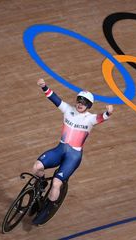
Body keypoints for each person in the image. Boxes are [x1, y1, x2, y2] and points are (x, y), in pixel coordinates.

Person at [32, 77, 114, 225]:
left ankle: (48, 208)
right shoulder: (68, 110)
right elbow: (54, 99)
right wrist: (44, 86)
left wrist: (109, 112)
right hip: (60, 150)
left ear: (88, 105)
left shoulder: (90, 119)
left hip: (73, 157)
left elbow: (103, 117)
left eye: (84, 103)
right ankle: (42, 182)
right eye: (79, 101)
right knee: (37, 167)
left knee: (56, 183)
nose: (80, 104)